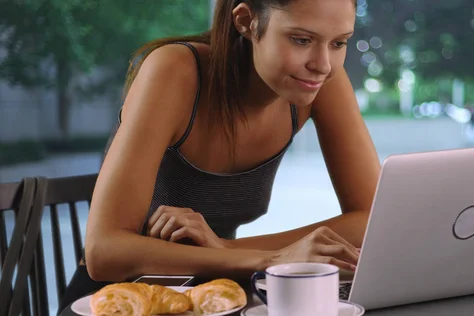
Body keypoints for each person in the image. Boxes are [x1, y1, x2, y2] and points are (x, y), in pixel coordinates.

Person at [58, 0, 380, 313]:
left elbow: (372, 218)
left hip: (216, 296)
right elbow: (104, 251)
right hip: (118, 300)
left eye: (339, 43)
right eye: (301, 39)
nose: (323, 64)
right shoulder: (174, 71)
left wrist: (228, 249)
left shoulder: (320, 82)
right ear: (246, 21)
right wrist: (272, 259)